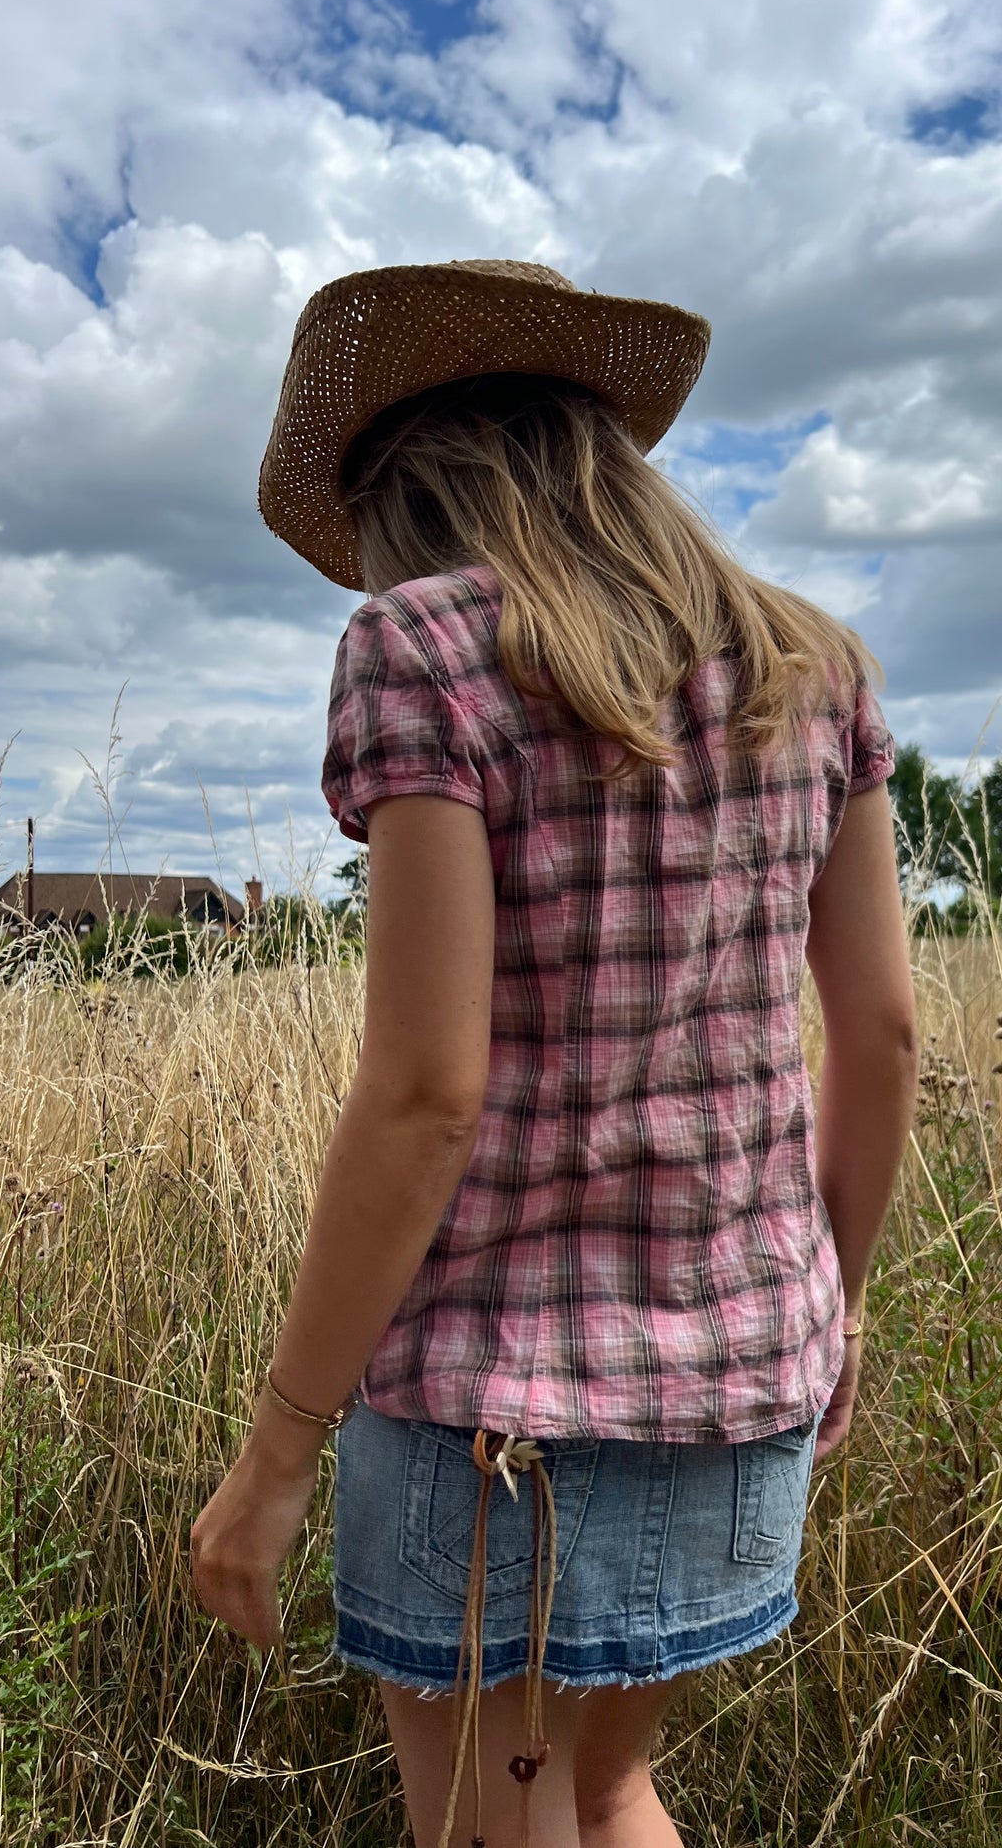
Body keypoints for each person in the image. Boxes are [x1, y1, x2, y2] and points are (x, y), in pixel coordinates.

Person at [190, 259, 918, 1848]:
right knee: (607, 1791)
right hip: (744, 1373)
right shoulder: (815, 664)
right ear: (599, 445)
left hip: (492, 1412)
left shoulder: (423, 646)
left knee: (496, 1824)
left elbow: (424, 1095)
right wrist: (836, 1301)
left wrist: (278, 1450)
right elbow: (878, 1032)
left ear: (404, 490)